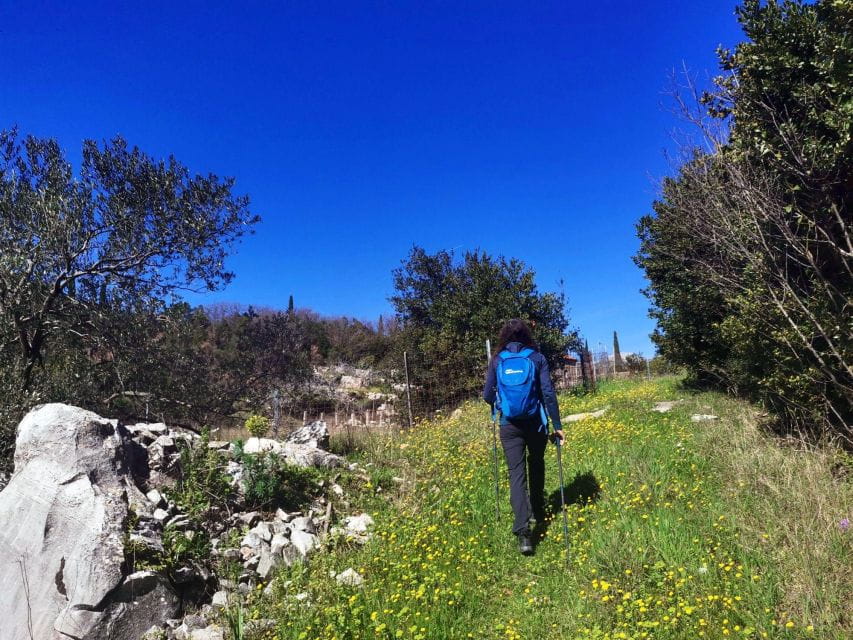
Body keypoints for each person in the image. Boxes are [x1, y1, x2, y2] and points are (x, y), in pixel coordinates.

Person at [483, 318, 564, 555]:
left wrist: (500, 403)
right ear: (527, 335)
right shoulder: (536, 358)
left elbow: (487, 395)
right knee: (536, 463)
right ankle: (538, 509)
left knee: (516, 474)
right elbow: (548, 393)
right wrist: (557, 425)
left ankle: (524, 533)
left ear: (504, 337)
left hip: (509, 425)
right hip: (536, 424)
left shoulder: (497, 360)